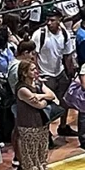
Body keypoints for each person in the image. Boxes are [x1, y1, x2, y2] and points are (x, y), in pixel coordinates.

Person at [15, 60, 60, 170]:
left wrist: (40, 96)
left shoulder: (39, 83)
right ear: (24, 73)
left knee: (42, 151)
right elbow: (39, 105)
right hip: (28, 125)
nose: (36, 71)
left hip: (42, 123)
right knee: (30, 154)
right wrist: (46, 100)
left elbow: (52, 95)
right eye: (32, 69)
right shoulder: (22, 89)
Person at [32, 9, 77, 138]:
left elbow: (67, 55)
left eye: (52, 20)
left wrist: (70, 72)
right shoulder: (39, 34)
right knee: (45, 105)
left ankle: (63, 126)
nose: (49, 23)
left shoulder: (64, 33)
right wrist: (37, 73)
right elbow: (34, 55)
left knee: (64, 101)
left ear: (59, 20)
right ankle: (47, 132)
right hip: (45, 74)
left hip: (60, 72)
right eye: (48, 20)